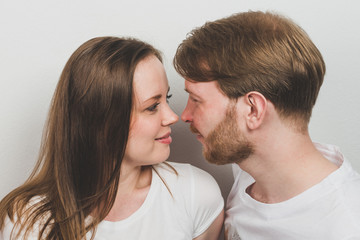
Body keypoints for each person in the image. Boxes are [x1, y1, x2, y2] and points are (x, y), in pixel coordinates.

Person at [0, 37, 224, 240]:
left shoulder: (196, 193)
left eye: (167, 98)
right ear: (102, 122)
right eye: (152, 106)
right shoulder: (28, 221)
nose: (173, 117)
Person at [173, 11, 360, 240]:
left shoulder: (346, 226)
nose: (185, 115)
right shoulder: (247, 171)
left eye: (196, 100)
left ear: (253, 110)